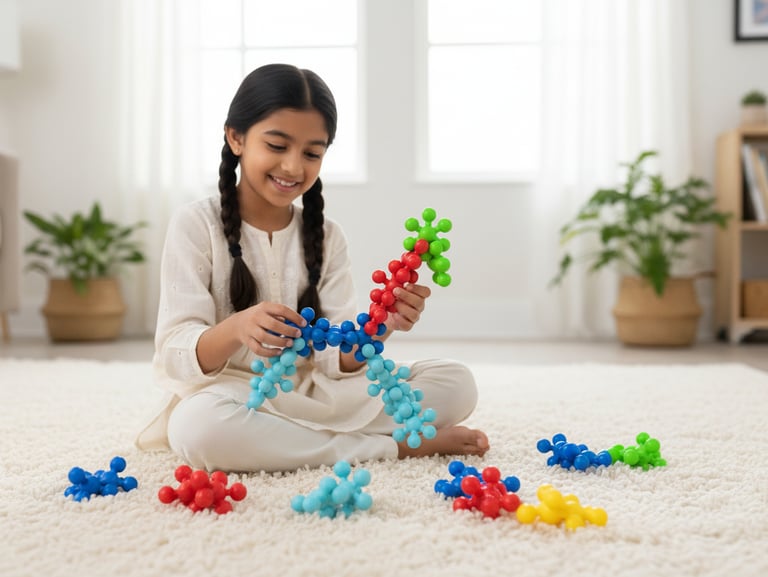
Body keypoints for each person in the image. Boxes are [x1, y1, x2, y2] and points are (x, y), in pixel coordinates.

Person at [135, 63, 489, 472]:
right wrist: (236, 328)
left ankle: (317, 443)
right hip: (232, 396)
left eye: (311, 153)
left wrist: (380, 327)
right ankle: (393, 448)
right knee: (198, 430)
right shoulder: (196, 224)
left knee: (457, 382)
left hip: (321, 396)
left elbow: (336, 359)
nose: (292, 167)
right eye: (277, 145)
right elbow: (176, 351)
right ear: (236, 138)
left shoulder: (327, 235)